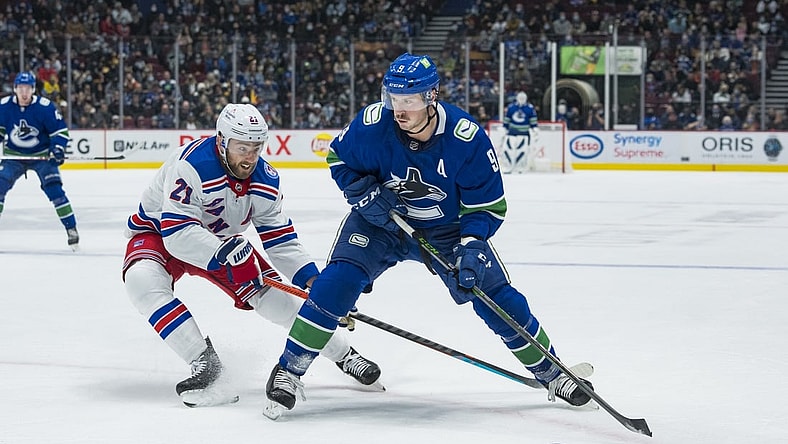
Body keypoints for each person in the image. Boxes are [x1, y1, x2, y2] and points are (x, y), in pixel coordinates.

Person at [264, 53, 593, 416]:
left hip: (448, 232)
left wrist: (471, 246)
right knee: (335, 284)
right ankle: (288, 370)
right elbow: (339, 159)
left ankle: (552, 372)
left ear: (431, 96)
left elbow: (487, 206)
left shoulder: (465, 138)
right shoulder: (374, 124)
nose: (399, 110)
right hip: (380, 224)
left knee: (495, 297)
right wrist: (363, 193)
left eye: (409, 101)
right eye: (393, 99)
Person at [122, 103, 382, 407]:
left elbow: (281, 240)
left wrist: (317, 283)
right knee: (141, 280)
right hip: (161, 235)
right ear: (222, 141)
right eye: (242, 147)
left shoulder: (265, 180)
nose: (249, 156)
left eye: (256, 147)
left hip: (223, 243)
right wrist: (225, 253)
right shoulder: (192, 165)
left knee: (276, 303)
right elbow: (177, 233)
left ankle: (344, 354)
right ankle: (205, 364)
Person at [0, 71, 78, 250]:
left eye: (28, 88)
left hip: (41, 156)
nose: (24, 92)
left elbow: (60, 132)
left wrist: (57, 149)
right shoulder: (4, 107)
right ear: (15, 89)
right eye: (21, 88)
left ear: (34, 90)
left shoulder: (45, 107)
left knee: (55, 190)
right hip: (14, 156)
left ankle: (71, 229)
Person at [501, 91, 540, 173]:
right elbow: (507, 119)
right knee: (508, 150)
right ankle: (508, 166)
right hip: (512, 132)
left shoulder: (530, 108)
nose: (521, 99)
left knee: (522, 151)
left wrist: (534, 128)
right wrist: (505, 128)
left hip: (524, 133)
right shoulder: (511, 107)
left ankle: (520, 167)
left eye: (523, 98)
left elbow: (533, 119)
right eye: (520, 98)